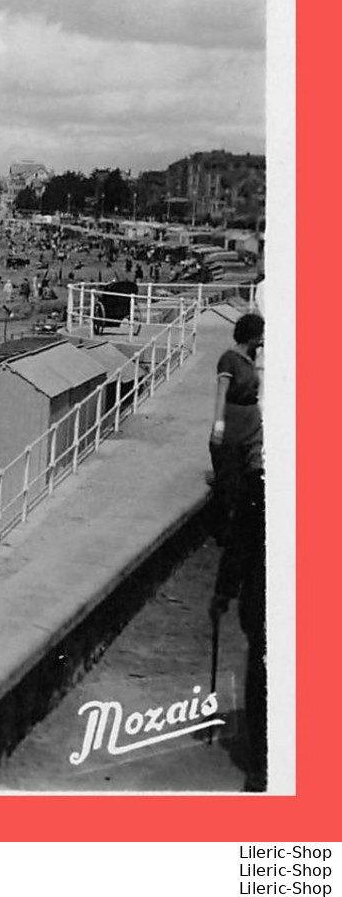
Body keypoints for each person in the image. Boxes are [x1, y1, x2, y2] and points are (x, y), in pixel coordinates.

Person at [210, 464, 266, 791]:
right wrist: (224, 590)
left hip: (266, 603)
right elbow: (242, 542)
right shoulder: (259, 483)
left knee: (264, 680)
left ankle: (262, 764)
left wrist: (223, 593)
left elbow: (240, 543)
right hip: (268, 602)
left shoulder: (261, 481)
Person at [210, 313, 264, 534]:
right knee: (230, 478)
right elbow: (221, 393)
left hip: (251, 420)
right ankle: (227, 528)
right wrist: (218, 426)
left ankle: (246, 525)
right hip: (233, 420)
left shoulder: (253, 357)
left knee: (253, 472)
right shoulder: (229, 359)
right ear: (250, 335)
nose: (263, 337)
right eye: (260, 333)